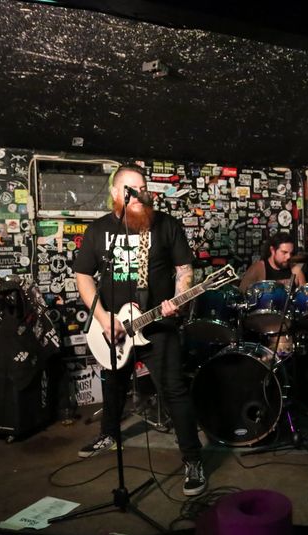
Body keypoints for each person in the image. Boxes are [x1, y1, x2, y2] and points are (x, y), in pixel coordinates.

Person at [73, 164, 206, 496]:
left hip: (156, 324)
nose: (139, 195)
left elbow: (184, 269)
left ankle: (193, 460)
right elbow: (83, 275)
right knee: (114, 384)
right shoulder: (98, 230)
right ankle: (108, 434)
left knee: (173, 390)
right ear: (115, 193)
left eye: (143, 188)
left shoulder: (165, 225)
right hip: (113, 328)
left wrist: (178, 299)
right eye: (131, 190)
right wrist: (103, 318)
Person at [238, 232, 306, 292]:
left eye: (291, 253)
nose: (288, 256)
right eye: (284, 252)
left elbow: (305, 296)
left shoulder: (295, 270)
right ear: (272, 250)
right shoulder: (258, 268)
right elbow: (242, 293)